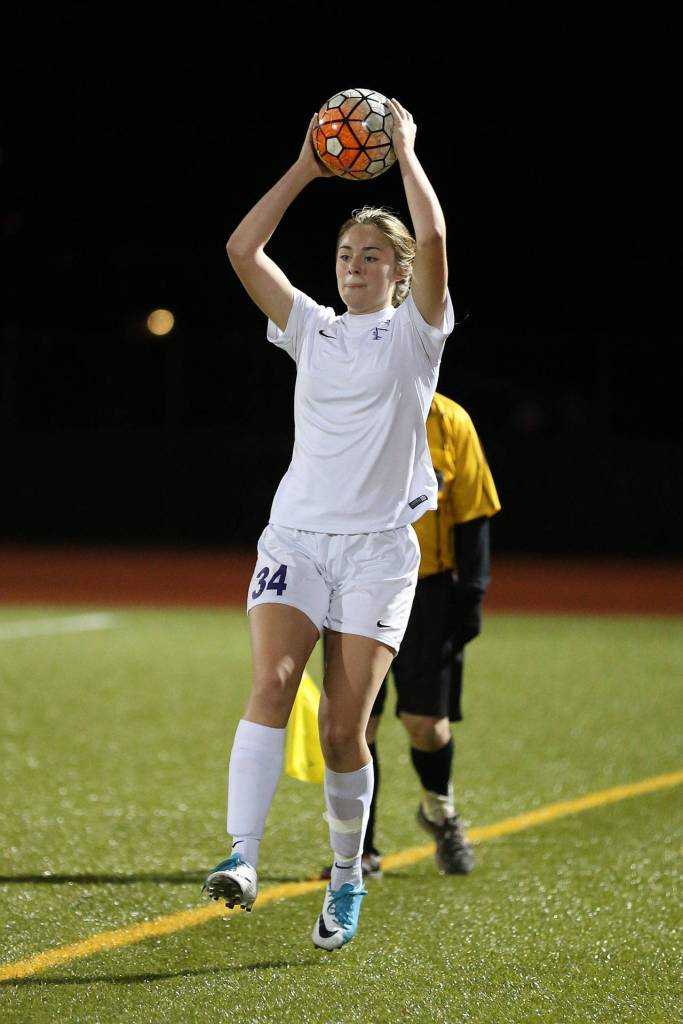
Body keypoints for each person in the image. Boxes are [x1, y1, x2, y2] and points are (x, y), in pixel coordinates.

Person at [203, 98, 455, 951]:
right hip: (296, 540)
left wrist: (405, 152)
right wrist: (308, 167)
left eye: (372, 256)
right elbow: (242, 251)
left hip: (378, 552)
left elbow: (437, 240)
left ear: (398, 272)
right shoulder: (310, 328)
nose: (354, 266)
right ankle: (241, 856)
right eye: (346, 254)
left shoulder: (415, 335)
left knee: (344, 730)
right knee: (272, 682)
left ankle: (347, 876)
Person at [320, 393, 501, 882]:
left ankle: (440, 811)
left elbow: (474, 512)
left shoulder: (449, 420)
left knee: (426, 726)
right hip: (358, 587)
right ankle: (359, 852)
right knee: (355, 724)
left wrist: (472, 594)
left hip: (428, 593)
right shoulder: (350, 406)